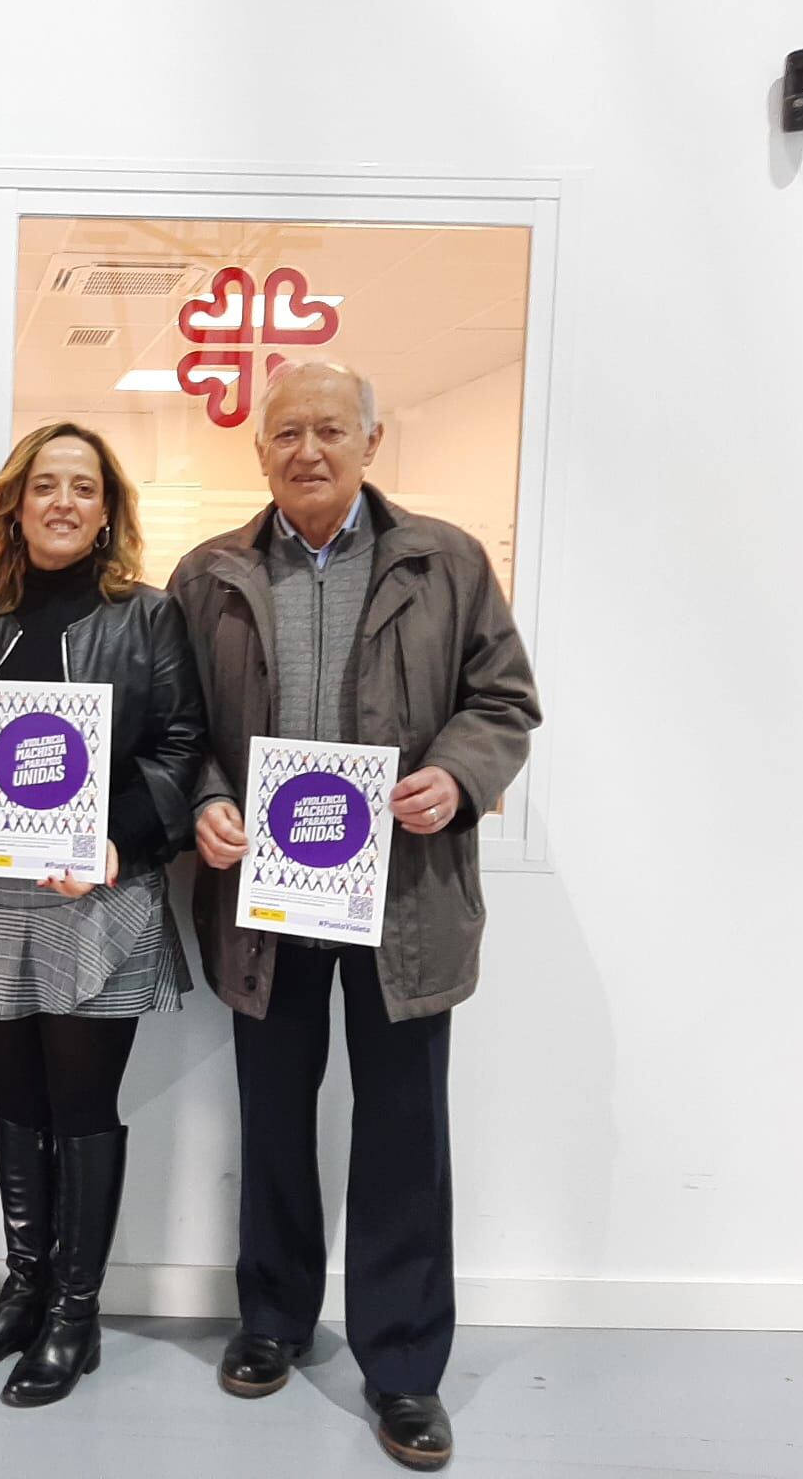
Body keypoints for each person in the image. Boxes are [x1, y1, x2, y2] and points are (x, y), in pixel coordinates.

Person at [168, 360, 541, 1472]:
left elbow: (505, 699)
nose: (308, 450)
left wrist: (459, 776)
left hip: (404, 900)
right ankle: (274, 1319)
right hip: (265, 902)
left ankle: (404, 1368)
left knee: (402, 1136)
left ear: (372, 442)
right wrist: (206, 800)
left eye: (331, 429)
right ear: (260, 448)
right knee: (274, 1121)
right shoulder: (211, 574)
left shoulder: (447, 562)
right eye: (287, 432)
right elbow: (177, 726)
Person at [0, 422, 204, 1406]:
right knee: (14, 1101)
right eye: (47, 485)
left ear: (107, 509)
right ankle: (25, 1291)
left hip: (99, 896)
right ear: (17, 501)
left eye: (85, 488)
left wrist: (119, 836)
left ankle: (75, 1316)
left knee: (79, 1107)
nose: (64, 502)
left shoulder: (148, 616)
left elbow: (179, 746)